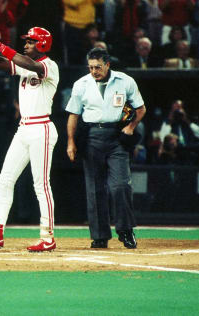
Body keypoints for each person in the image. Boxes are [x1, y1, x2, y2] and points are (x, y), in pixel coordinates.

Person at [0, 27, 59, 252]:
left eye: (31, 42)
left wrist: (2, 46)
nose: (26, 44)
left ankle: (47, 236)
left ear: (41, 44)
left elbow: (31, 65)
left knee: (41, 185)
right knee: (5, 179)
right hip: (24, 128)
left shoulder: (49, 65)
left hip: (42, 127)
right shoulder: (23, 65)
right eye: (26, 41)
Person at [65, 47, 146, 249]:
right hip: (92, 136)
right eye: (91, 67)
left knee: (121, 186)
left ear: (107, 64)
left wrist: (130, 127)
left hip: (117, 137)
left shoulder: (125, 81)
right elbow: (73, 115)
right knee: (94, 188)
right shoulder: (81, 84)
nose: (94, 71)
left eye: (98, 67)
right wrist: (70, 141)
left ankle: (126, 231)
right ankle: (99, 236)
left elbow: (141, 109)